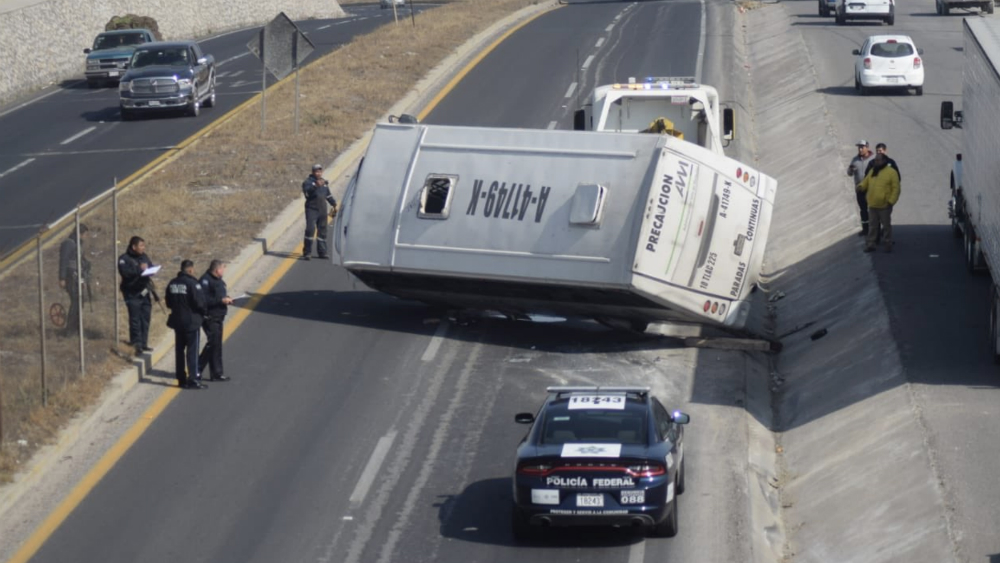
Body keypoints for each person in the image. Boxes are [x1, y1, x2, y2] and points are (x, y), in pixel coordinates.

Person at [166, 259, 207, 389]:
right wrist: (204, 313)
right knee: (192, 351)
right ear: (190, 270)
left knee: (179, 351)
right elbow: (200, 303)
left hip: (177, 322)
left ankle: (181, 379)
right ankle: (193, 379)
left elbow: (168, 303)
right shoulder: (192, 284)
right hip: (191, 322)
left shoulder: (172, 283)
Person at [118, 236, 158, 354]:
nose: (143, 248)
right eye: (141, 246)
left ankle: (144, 343)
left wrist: (151, 269)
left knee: (145, 317)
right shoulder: (124, 259)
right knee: (135, 319)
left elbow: (149, 266)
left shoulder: (144, 257)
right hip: (132, 293)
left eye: (143, 246)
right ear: (134, 247)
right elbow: (125, 273)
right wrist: (139, 269)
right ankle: (136, 344)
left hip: (144, 292)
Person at [857, 153, 900, 253]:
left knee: (886, 226)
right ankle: (871, 244)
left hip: (885, 205)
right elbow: (865, 182)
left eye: (878, 160)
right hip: (872, 205)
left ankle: (887, 243)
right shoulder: (873, 171)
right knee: (873, 226)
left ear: (884, 161)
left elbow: (896, 188)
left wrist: (891, 201)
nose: (876, 162)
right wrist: (860, 187)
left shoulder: (891, 172)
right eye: (875, 160)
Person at [198, 259, 233, 382]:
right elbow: (204, 300)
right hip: (210, 317)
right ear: (217, 270)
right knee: (212, 344)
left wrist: (226, 299)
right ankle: (197, 369)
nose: (224, 271)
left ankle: (217, 373)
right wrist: (221, 300)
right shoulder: (205, 281)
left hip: (218, 316)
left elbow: (218, 295)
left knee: (216, 345)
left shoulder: (218, 280)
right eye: (223, 268)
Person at [59, 224, 90, 336]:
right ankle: (70, 330)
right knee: (76, 302)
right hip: (70, 277)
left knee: (80, 302)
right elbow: (64, 261)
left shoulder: (78, 244)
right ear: (80, 234)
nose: (86, 237)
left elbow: (80, 262)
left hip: (78, 277)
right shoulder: (69, 244)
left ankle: (77, 328)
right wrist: (62, 278)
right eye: (85, 234)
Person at [302, 163, 338, 261]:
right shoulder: (308, 182)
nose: (318, 173)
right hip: (312, 209)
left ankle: (322, 252)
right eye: (316, 171)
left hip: (322, 210)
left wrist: (334, 204)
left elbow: (328, 195)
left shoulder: (324, 183)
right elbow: (307, 194)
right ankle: (307, 252)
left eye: (320, 171)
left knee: (322, 231)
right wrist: (315, 186)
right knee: (310, 230)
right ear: (313, 172)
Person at [847, 140, 875, 237]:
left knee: (873, 209)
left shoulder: (873, 159)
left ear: (867, 147)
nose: (860, 149)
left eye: (862, 147)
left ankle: (875, 230)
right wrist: (850, 169)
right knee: (863, 210)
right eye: (859, 147)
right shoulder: (855, 160)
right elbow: (849, 174)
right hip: (860, 190)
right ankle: (865, 229)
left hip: (871, 189)